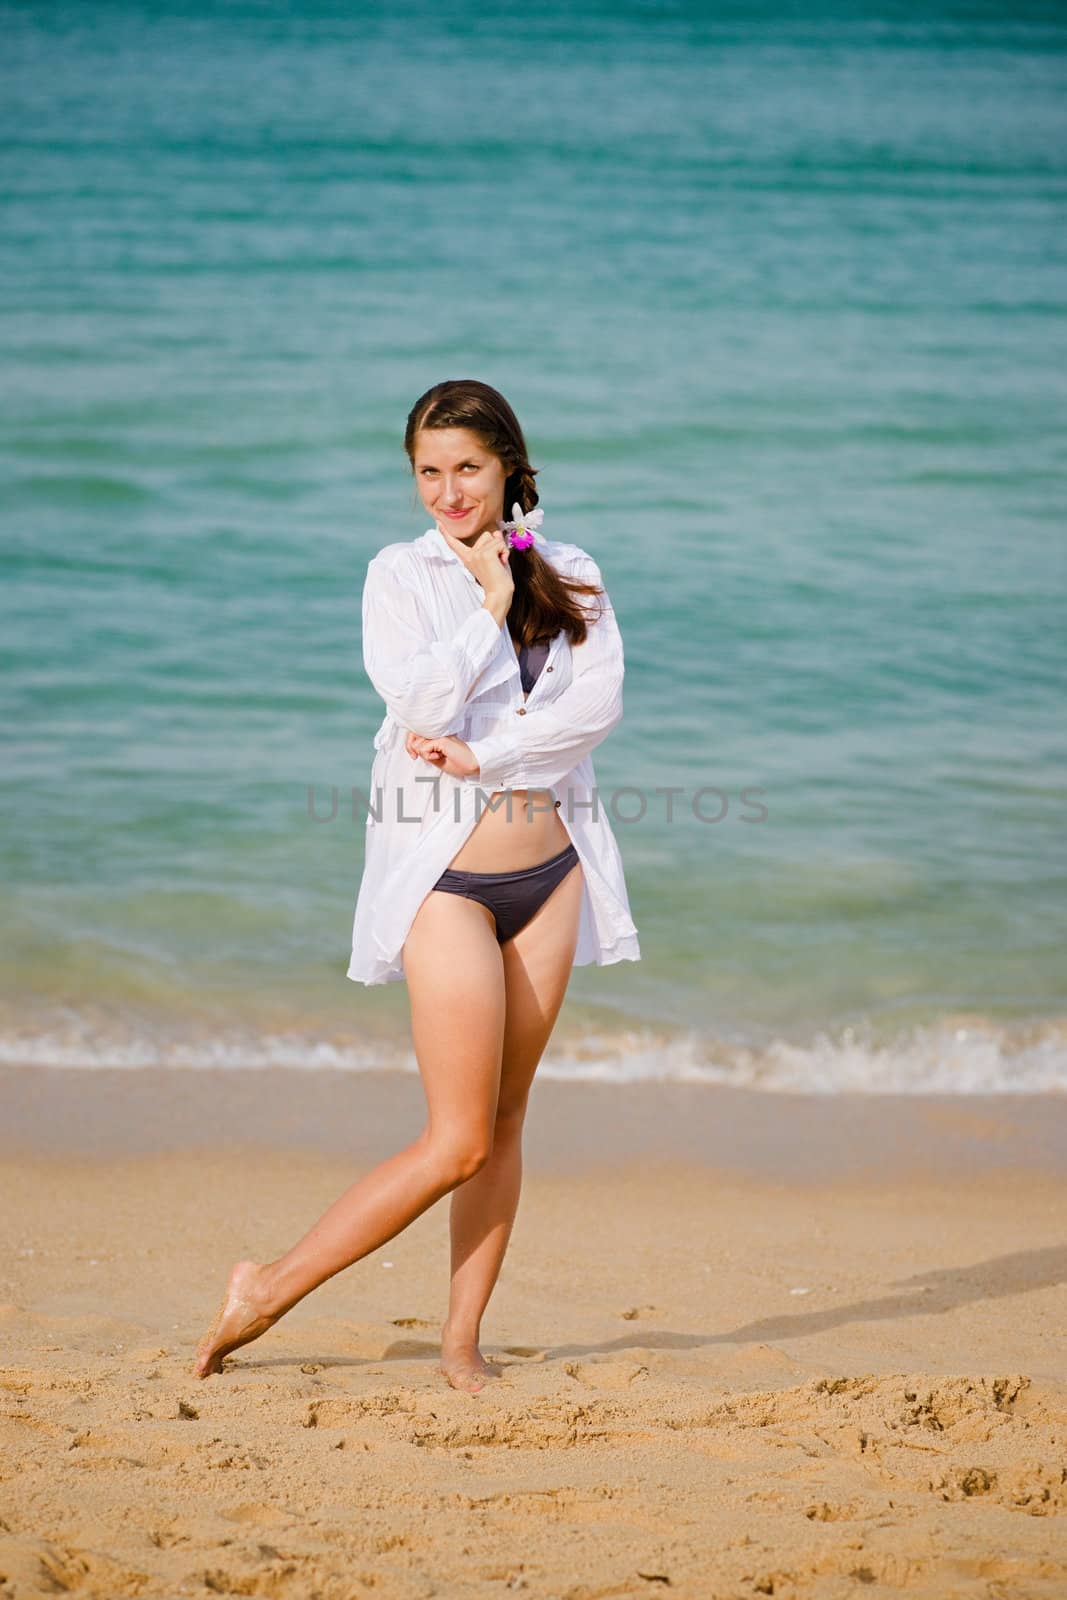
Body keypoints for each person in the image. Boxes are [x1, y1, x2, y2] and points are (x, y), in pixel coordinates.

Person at [195, 379, 640, 1392]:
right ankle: (263, 1286)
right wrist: (486, 610)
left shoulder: (569, 569)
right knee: (456, 1136)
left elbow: (596, 708)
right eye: (427, 472)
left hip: (551, 871)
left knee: (508, 1121)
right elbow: (416, 702)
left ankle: (459, 1341)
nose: (446, 491)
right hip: (442, 881)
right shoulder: (397, 576)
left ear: (509, 469)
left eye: (466, 469)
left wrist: (488, 758)